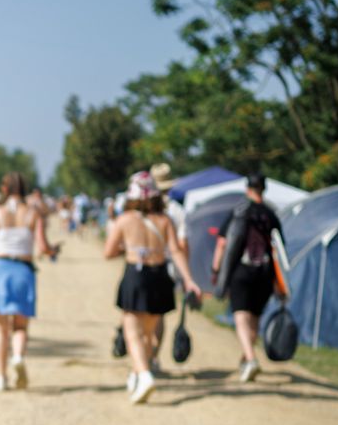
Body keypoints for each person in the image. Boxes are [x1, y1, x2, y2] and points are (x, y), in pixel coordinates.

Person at [105, 171, 202, 404]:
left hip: (136, 275)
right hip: (160, 276)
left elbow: (108, 252)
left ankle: (144, 375)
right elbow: (176, 251)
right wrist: (189, 280)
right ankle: (139, 372)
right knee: (148, 333)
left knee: (132, 332)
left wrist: (128, 248)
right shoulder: (164, 220)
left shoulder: (125, 220)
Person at [0, 171, 54, 391]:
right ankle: (17, 356)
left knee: (0, 328)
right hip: (23, 271)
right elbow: (43, 247)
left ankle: (1, 376)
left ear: (4, 190)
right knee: (20, 327)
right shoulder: (33, 214)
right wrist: (52, 250)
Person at [212, 173, 286, 381]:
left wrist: (217, 270)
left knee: (240, 316)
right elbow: (279, 249)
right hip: (265, 272)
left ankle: (251, 358)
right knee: (254, 317)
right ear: (264, 189)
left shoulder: (239, 212)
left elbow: (222, 242)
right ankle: (247, 358)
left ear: (248, 189)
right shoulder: (271, 215)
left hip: (241, 271)